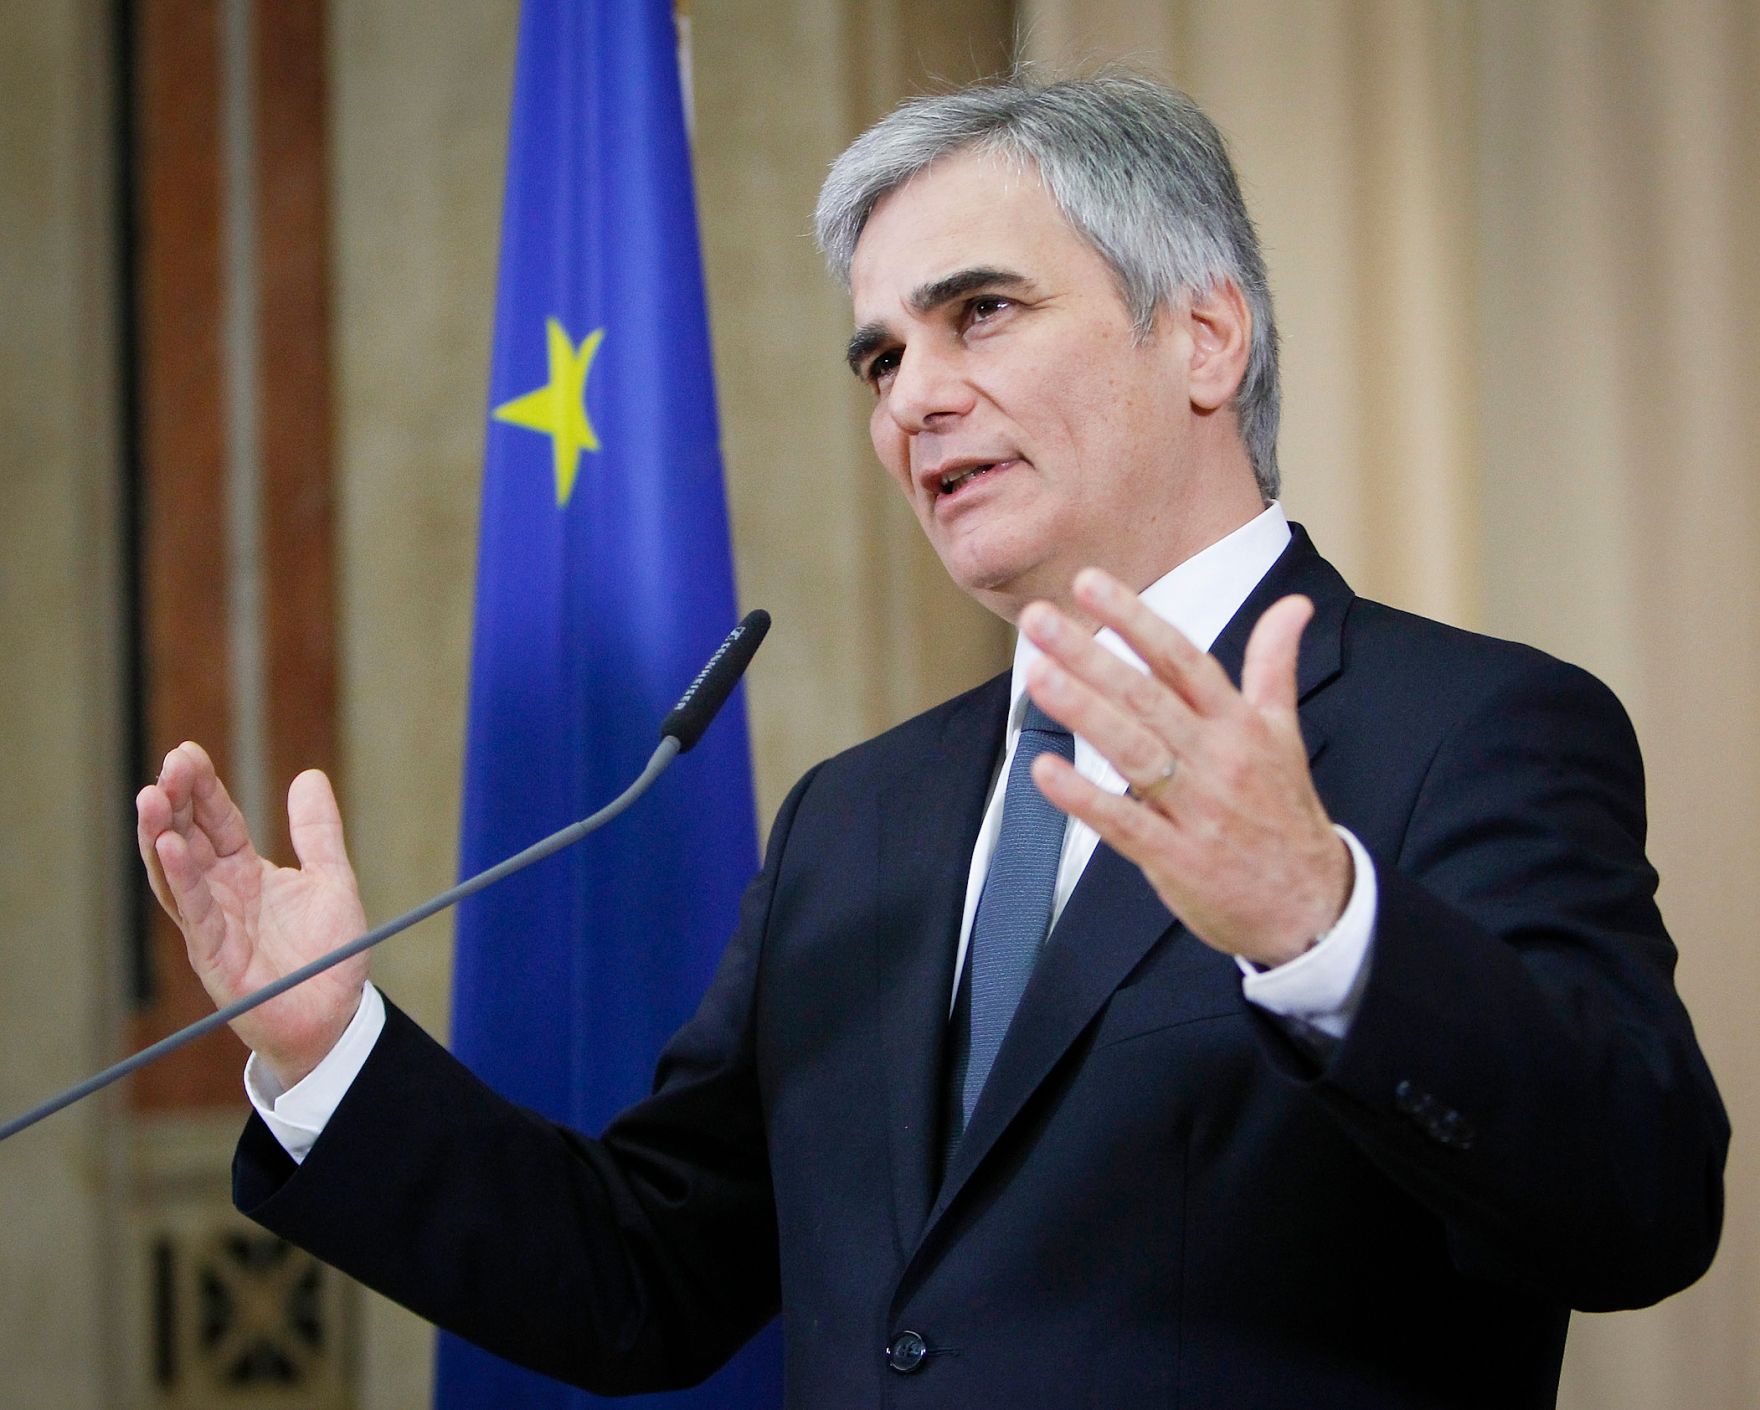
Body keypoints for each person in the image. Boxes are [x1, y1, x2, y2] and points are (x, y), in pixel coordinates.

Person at [136, 73, 1727, 1408]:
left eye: (981, 312)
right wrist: (325, 1047)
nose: (915, 396)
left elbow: (1641, 1203)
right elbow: (644, 1277)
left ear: (1206, 337)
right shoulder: (858, 818)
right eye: (883, 355)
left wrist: (1324, 924)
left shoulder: (1472, 729)